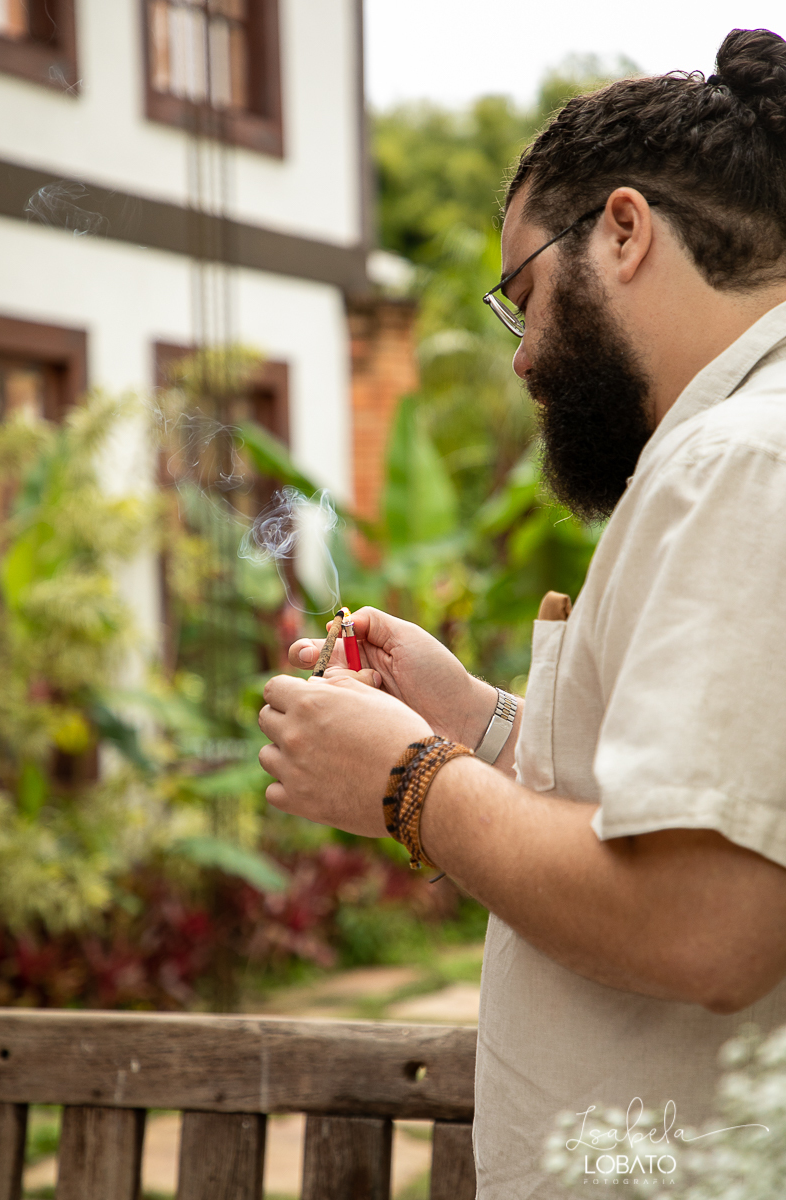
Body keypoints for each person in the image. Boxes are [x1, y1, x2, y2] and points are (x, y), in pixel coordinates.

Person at [258, 27, 786, 1198]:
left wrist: (409, 781)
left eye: (523, 295)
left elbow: (704, 923)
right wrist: (480, 722)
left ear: (624, 229)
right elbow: (703, 797)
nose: (520, 356)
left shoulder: (735, 462)